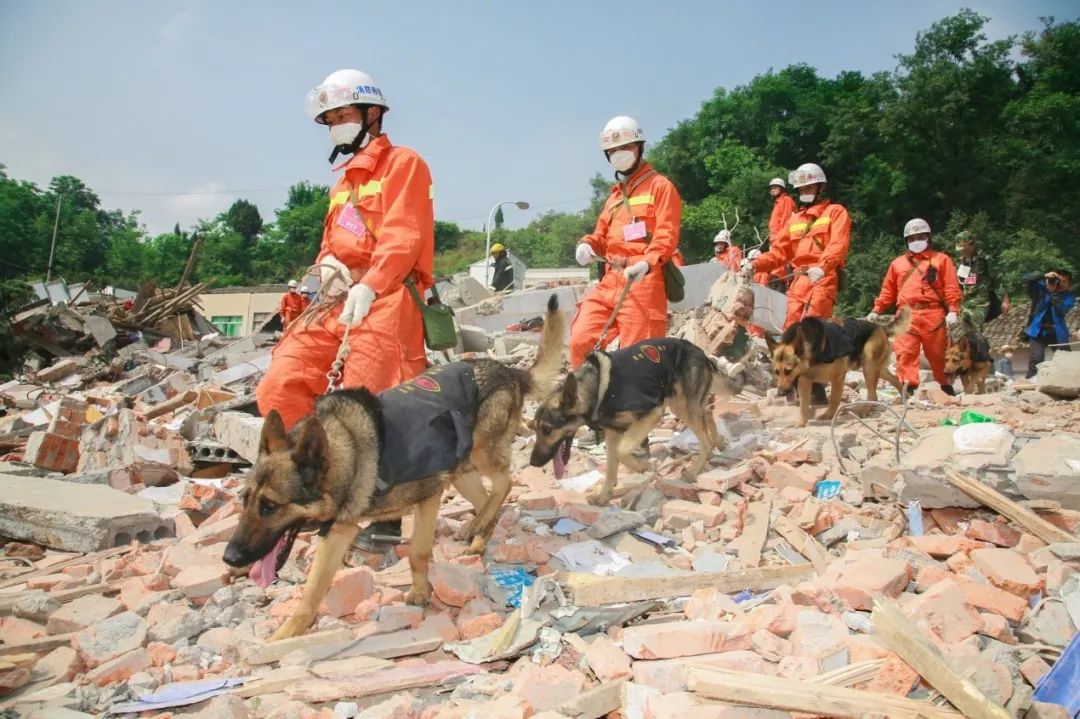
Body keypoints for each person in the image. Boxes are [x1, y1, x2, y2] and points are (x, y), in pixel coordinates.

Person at [255, 68, 435, 552]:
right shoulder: (344, 184)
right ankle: (314, 487)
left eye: (343, 114)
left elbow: (404, 234)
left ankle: (385, 509)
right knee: (280, 385)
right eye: (329, 118)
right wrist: (316, 280)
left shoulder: (403, 163)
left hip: (388, 295)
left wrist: (373, 284)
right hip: (337, 297)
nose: (335, 124)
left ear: (372, 114)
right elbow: (331, 244)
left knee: (372, 399)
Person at [570, 116, 682, 368]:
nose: (618, 154)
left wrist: (647, 263)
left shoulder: (660, 187)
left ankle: (637, 405)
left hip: (643, 281)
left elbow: (667, 235)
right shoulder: (615, 196)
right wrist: (586, 245)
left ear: (639, 147)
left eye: (625, 147)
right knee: (580, 340)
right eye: (612, 151)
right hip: (610, 279)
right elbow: (600, 236)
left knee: (639, 359)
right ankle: (590, 400)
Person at [745, 163, 851, 404]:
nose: (806, 190)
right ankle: (792, 385)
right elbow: (779, 252)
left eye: (810, 185)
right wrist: (755, 265)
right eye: (802, 187)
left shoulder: (835, 212)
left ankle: (816, 389)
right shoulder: (794, 220)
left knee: (812, 330)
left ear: (820, 187)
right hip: (800, 278)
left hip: (823, 276)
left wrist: (823, 266)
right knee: (791, 331)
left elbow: (838, 245)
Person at [867, 218, 963, 396]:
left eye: (920, 236)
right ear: (906, 241)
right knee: (904, 352)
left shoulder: (942, 260)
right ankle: (908, 387)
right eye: (911, 238)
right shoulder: (897, 264)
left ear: (928, 237)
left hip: (933, 312)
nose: (916, 241)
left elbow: (951, 287)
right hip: (906, 313)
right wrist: (876, 309)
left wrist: (953, 310)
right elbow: (888, 290)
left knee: (937, 354)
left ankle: (943, 385)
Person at [1023, 269, 1076, 379]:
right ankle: (1032, 385)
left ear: (1069, 283)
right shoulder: (1043, 289)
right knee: (1035, 360)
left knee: (1066, 361)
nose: (1060, 284)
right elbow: (1026, 278)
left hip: (1058, 332)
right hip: (1038, 331)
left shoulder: (1070, 296)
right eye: (1058, 280)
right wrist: (1043, 274)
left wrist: (1053, 292)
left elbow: (1061, 309)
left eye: (1064, 281)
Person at [954, 230, 1009, 332]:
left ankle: (978, 347)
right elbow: (959, 283)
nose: (962, 251)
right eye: (960, 249)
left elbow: (998, 279)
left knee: (975, 330)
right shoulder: (960, 262)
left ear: (972, 245)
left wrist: (1005, 300)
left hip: (980, 302)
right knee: (964, 332)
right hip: (965, 303)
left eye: (964, 248)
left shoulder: (985, 260)